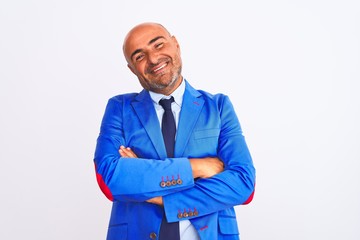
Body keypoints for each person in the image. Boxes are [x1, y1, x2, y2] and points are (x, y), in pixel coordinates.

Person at [94, 22, 256, 240]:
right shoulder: (119, 108)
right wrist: (197, 167)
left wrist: (160, 197)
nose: (152, 59)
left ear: (176, 44)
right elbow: (112, 178)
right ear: (132, 69)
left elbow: (243, 184)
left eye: (158, 45)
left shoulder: (218, 106)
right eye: (139, 56)